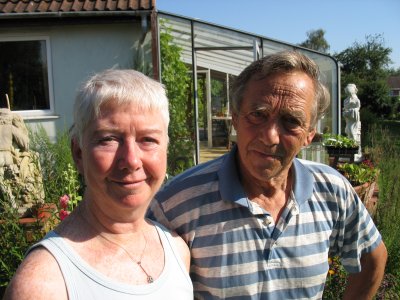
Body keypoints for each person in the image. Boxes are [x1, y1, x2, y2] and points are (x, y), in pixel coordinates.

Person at [148, 51, 387, 299]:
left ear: (309, 135)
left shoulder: (332, 190)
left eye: (291, 121)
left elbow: (374, 258)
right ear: (235, 119)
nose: (270, 136)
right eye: (258, 115)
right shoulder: (176, 203)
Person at [4, 69, 193, 299]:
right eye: (108, 139)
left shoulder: (176, 251)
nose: (131, 160)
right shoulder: (43, 284)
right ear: (78, 153)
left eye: (148, 140)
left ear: (166, 150)